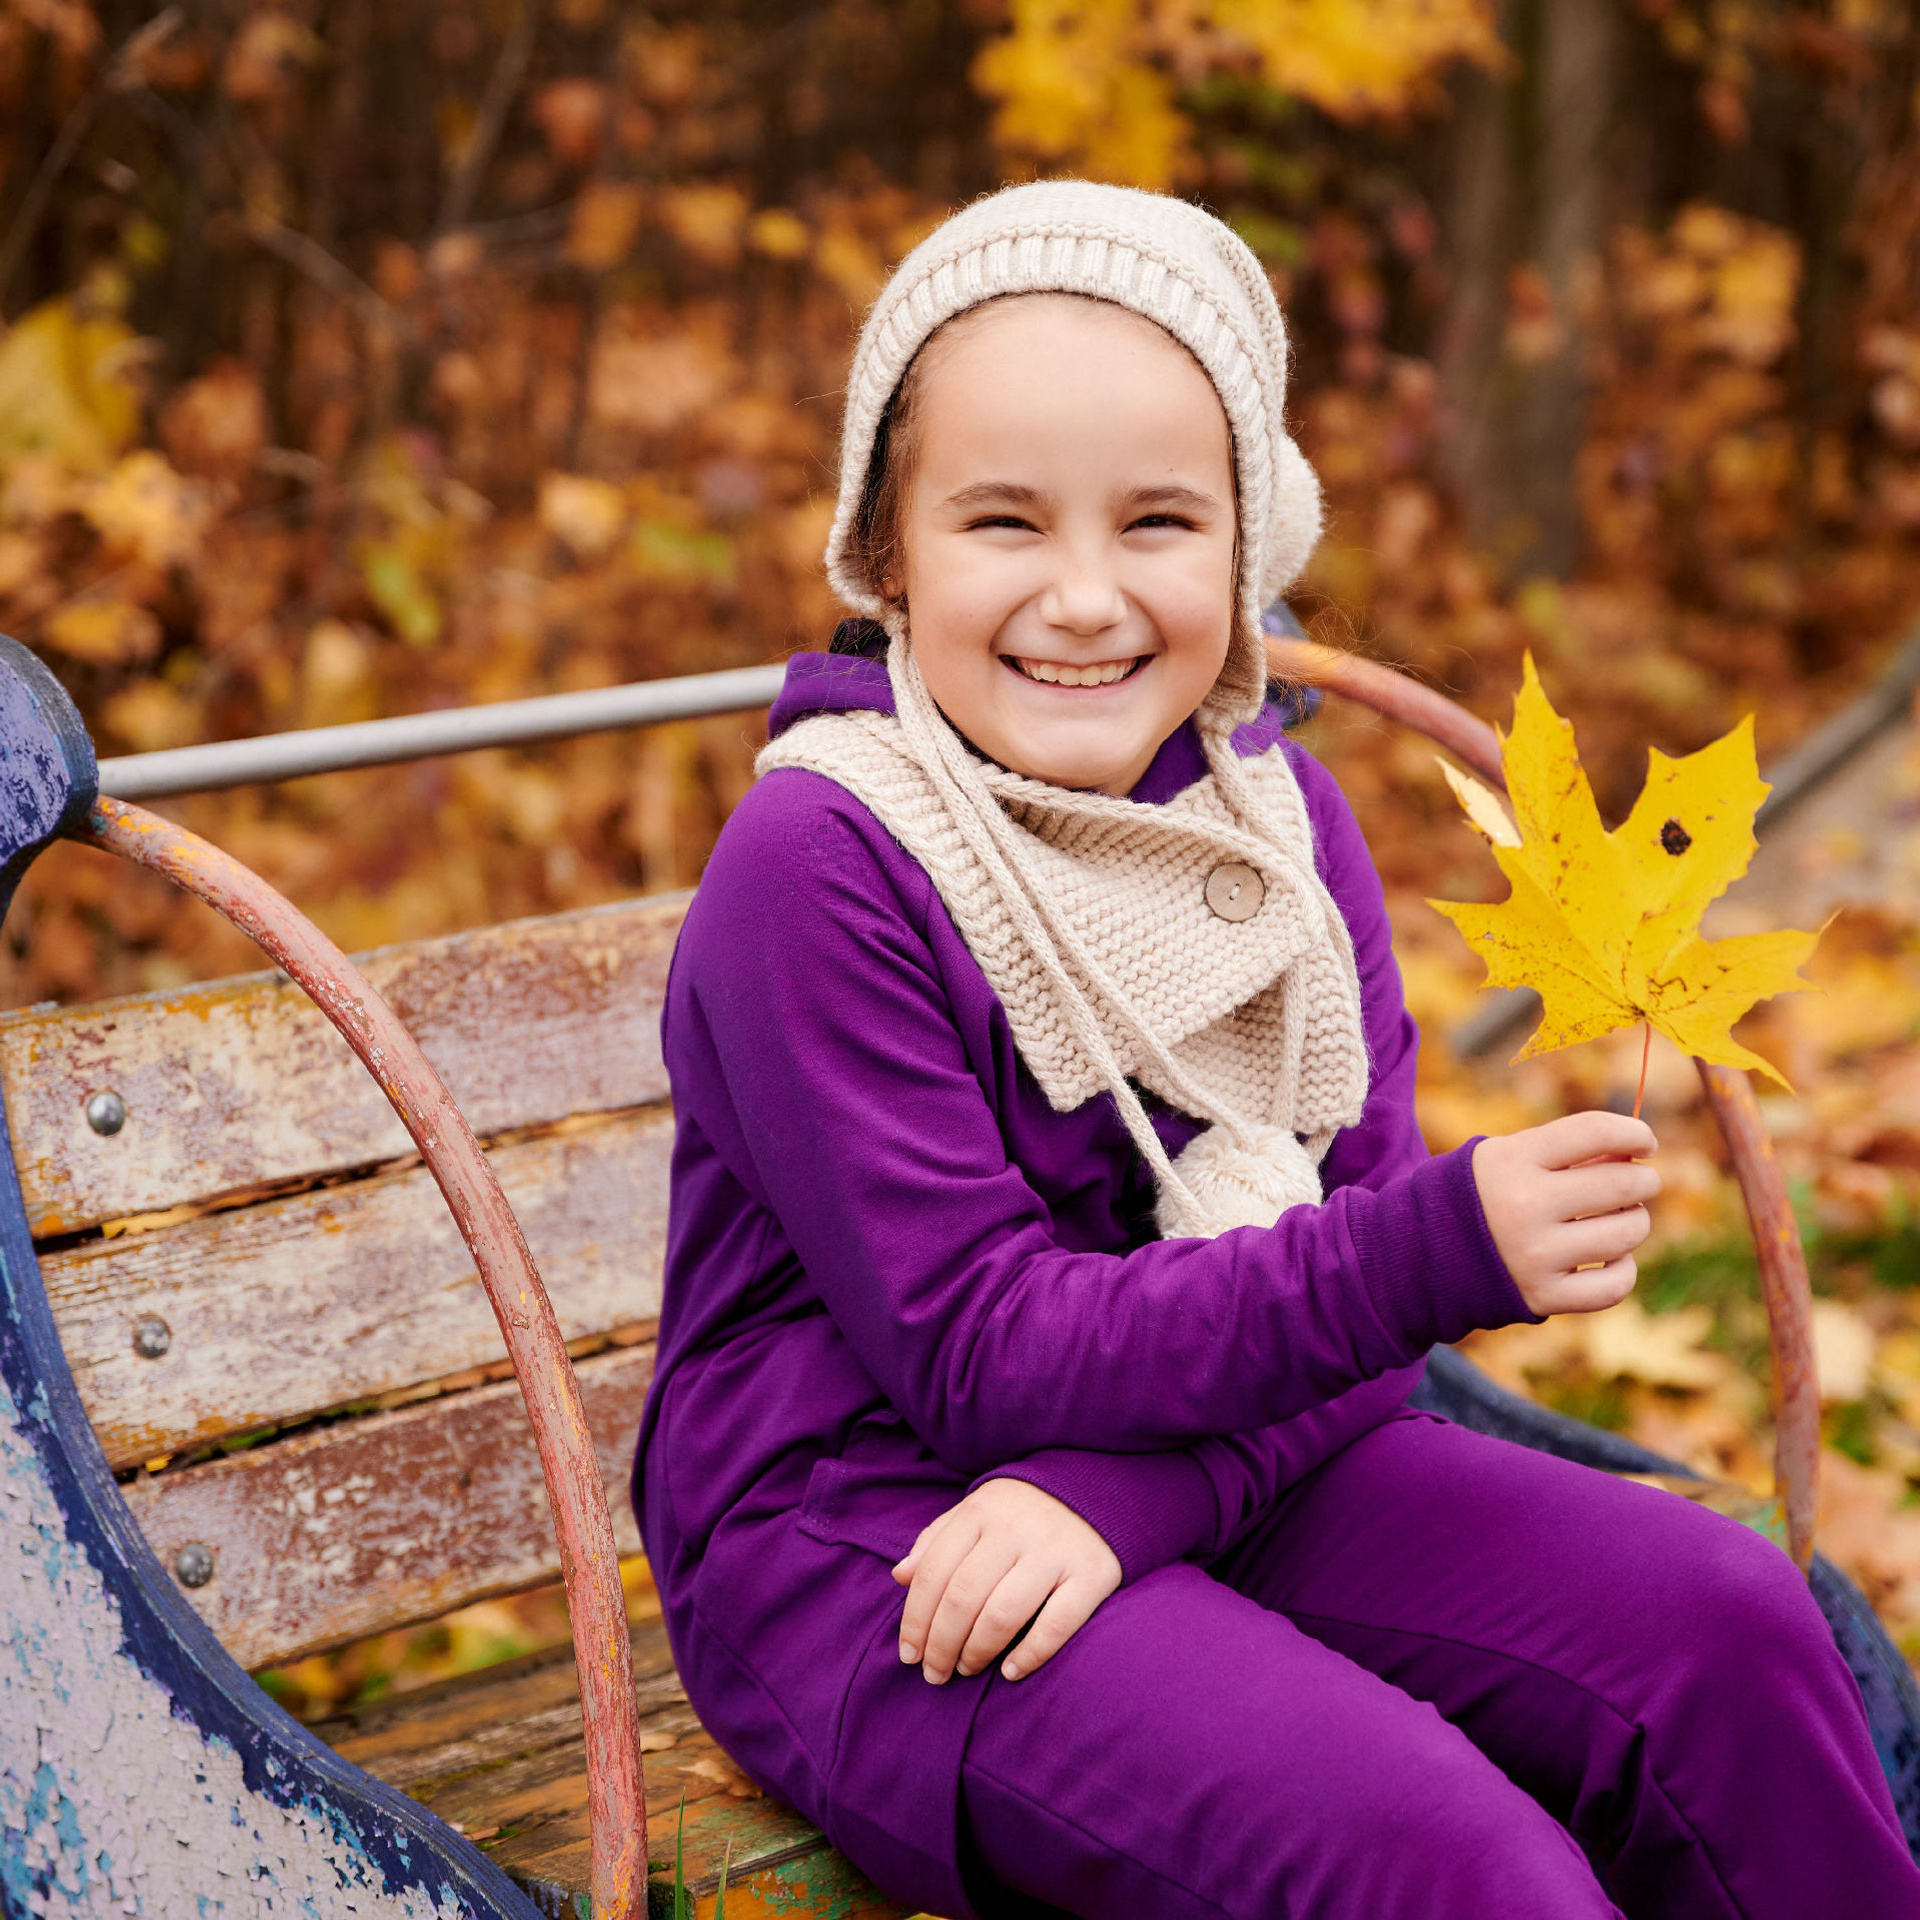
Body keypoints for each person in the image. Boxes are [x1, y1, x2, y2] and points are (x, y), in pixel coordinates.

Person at [631, 180, 1920, 1919]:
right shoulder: (826, 864)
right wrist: (1436, 1250)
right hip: (883, 1543)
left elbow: (1360, 1330)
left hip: (1191, 1465)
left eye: (1157, 521)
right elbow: (985, 1351)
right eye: (1003, 522)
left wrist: (1127, 1503)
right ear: (884, 556)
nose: (1083, 598)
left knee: (1728, 1629)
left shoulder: (1276, 830)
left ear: (1247, 547)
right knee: (1454, 1866)